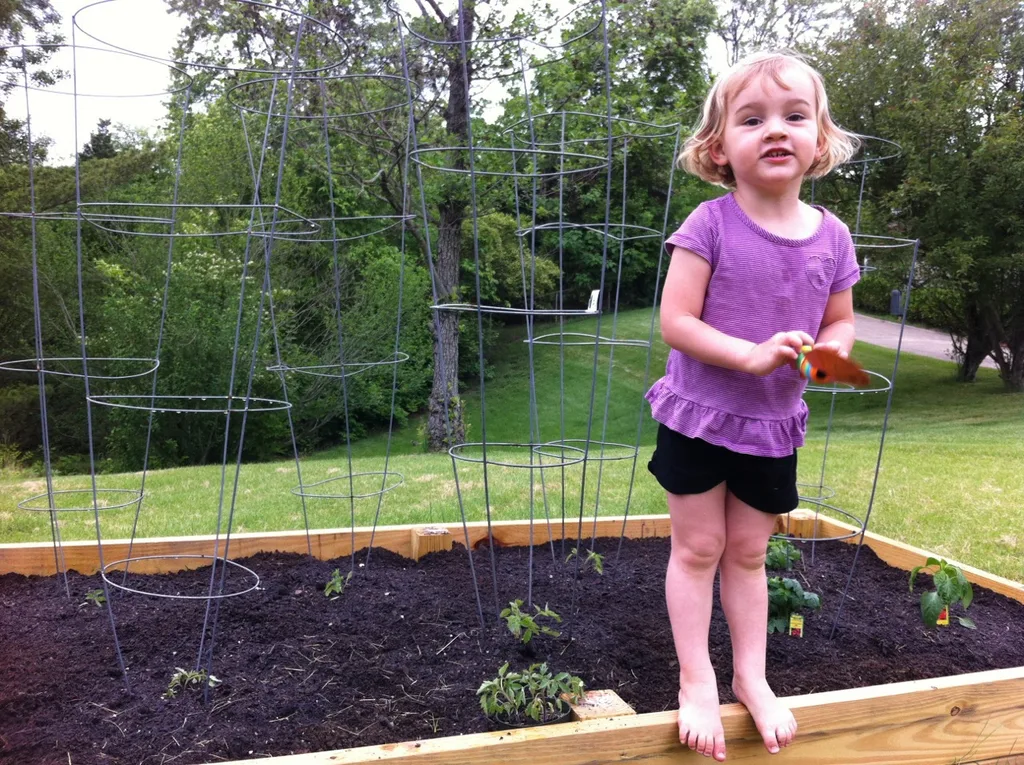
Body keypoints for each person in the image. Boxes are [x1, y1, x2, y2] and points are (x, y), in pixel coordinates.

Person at [645, 50, 861, 761]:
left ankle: (751, 675)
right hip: (700, 413)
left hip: (772, 424)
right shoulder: (709, 223)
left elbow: (841, 321)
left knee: (747, 553)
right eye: (753, 118)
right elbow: (676, 320)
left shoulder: (832, 236)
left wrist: (825, 355)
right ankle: (696, 679)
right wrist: (751, 353)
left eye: (795, 116)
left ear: (820, 143)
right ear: (718, 148)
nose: (776, 129)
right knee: (699, 546)